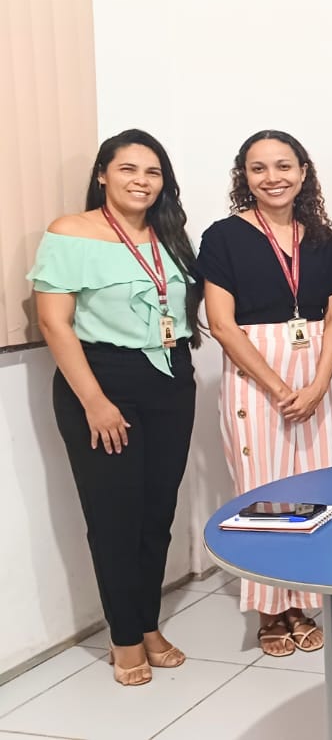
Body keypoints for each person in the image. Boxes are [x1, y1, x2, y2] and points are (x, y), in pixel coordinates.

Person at [30, 130, 201, 686]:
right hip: (102, 382)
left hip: (172, 379)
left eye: (152, 172)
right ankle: (124, 636)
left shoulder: (168, 235)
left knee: (157, 513)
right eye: (128, 169)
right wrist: (95, 402)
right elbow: (54, 322)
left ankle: (148, 623)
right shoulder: (70, 231)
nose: (141, 182)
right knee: (114, 518)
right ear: (103, 173)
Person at [198, 130, 332, 657]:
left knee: (313, 488)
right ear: (245, 178)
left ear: (303, 172)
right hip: (256, 374)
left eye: (284, 166)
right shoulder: (222, 236)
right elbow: (221, 322)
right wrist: (281, 387)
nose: (273, 178)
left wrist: (320, 383)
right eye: (258, 169)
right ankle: (268, 610)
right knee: (262, 493)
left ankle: (303, 602)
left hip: (315, 375)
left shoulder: (322, 237)